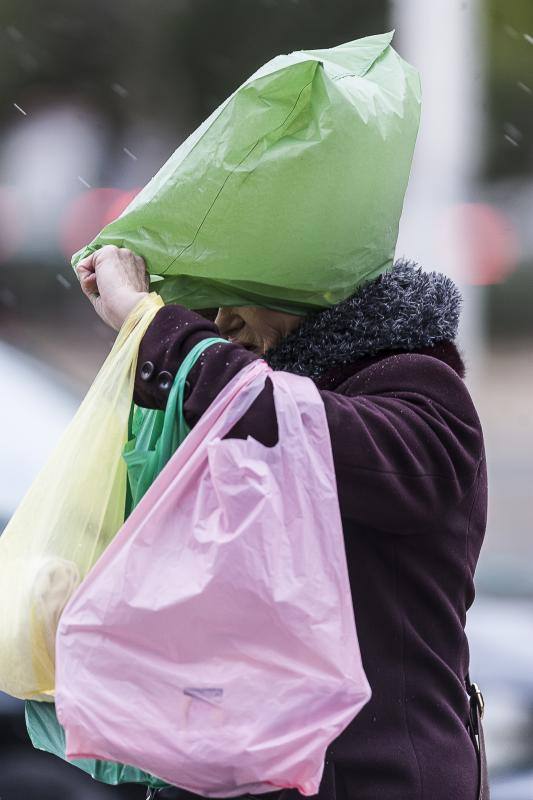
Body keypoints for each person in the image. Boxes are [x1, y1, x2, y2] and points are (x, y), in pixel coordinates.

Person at [76, 244, 488, 800]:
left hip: (374, 779)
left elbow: (289, 427)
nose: (224, 322)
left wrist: (157, 329)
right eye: (214, 305)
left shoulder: (421, 394)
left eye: (245, 297)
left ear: (321, 294)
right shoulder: (256, 385)